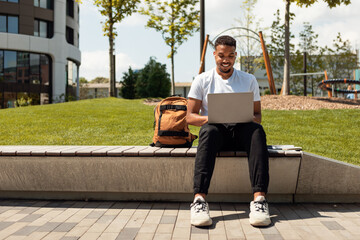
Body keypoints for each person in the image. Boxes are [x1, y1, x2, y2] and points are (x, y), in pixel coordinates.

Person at [187, 35, 271, 227]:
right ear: (214, 55)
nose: (226, 59)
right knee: (208, 132)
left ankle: (259, 201)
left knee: (257, 131)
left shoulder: (248, 80)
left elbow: (257, 115)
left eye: (231, 55)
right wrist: (213, 117)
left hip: (241, 131)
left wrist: (243, 116)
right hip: (216, 133)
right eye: (221, 55)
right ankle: (199, 200)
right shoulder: (202, 80)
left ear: (235, 56)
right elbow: (190, 116)